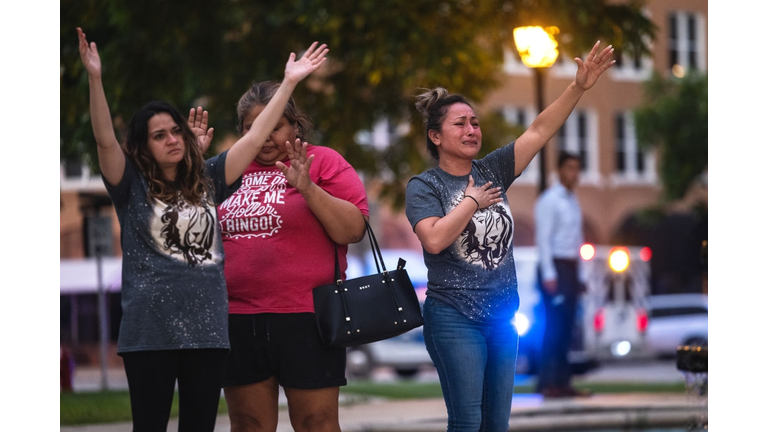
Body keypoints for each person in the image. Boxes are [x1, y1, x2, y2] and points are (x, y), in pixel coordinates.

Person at [77, 27, 328, 432]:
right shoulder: (130, 186)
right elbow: (105, 140)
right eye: (159, 135)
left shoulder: (209, 178)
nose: (172, 139)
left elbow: (256, 136)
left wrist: (289, 83)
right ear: (142, 146)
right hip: (149, 333)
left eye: (176, 130)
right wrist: (95, 78)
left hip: (207, 333)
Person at [405, 41, 614, 431]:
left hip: (503, 318)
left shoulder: (493, 170)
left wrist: (578, 87)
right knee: (467, 421)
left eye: (475, 122)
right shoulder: (425, 186)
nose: (472, 130)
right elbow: (433, 240)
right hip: (454, 317)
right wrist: (471, 202)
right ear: (435, 136)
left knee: (496, 424)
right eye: (460, 124)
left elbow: (538, 130)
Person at [216, 81, 370, 431]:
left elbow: (353, 230)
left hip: (308, 317)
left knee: (317, 423)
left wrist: (308, 188)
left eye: (275, 126)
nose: (265, 137)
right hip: (237, 318)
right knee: (248, 424)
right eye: (254, 128)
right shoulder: (227, 170)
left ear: (295, 125)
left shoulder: (323, 161)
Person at [534, 151, 591, 398]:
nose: (574, 173)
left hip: (571, 268)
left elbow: (578, 240)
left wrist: (582, 276)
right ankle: (548, 382)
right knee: (554, 327)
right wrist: (549, 274)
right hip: (555, 268)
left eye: (577, 168)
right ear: (559, 170)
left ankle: (563, 382)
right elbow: (544, 240)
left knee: (568, 328)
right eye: (569, 168)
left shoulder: (573, 201)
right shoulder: (549, 200)